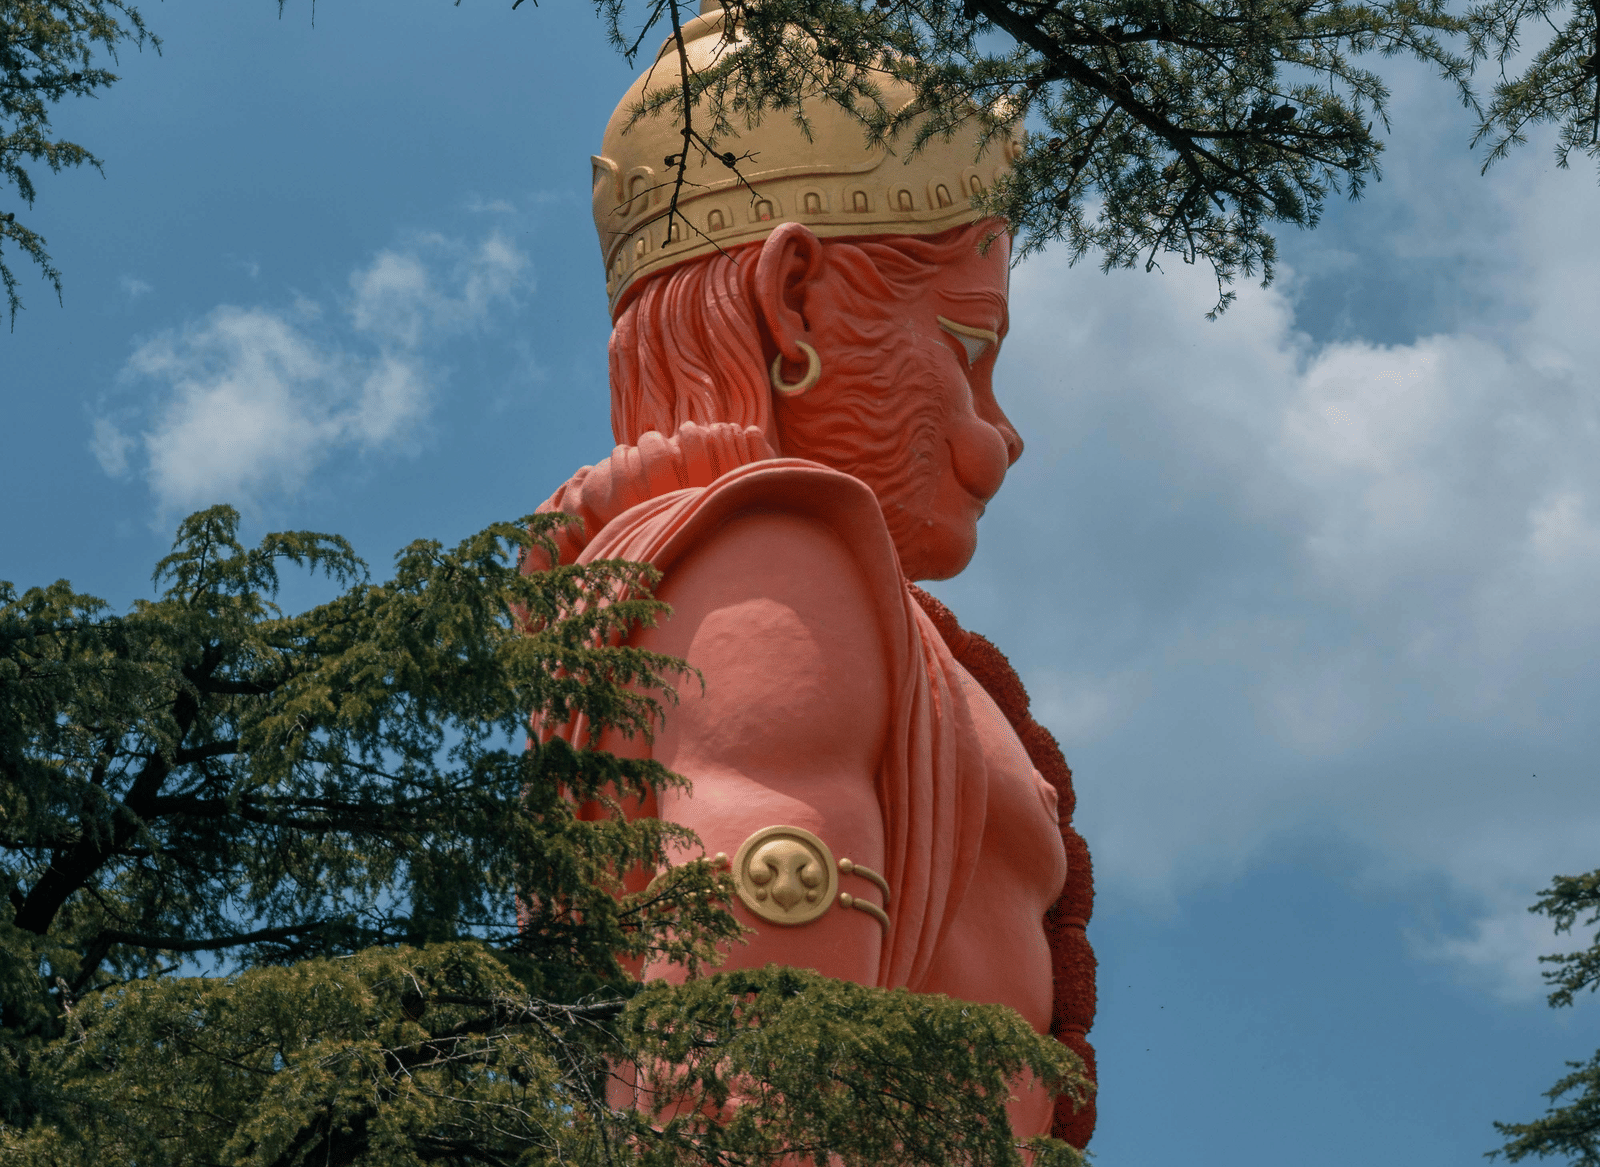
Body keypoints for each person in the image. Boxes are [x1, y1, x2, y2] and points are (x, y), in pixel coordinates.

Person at [529, 0, 1097, 1147]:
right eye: (969, 350)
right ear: (796, 306)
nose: (1002, 433)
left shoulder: (702, 575)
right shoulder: (770, 563)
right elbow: (765, 1030)